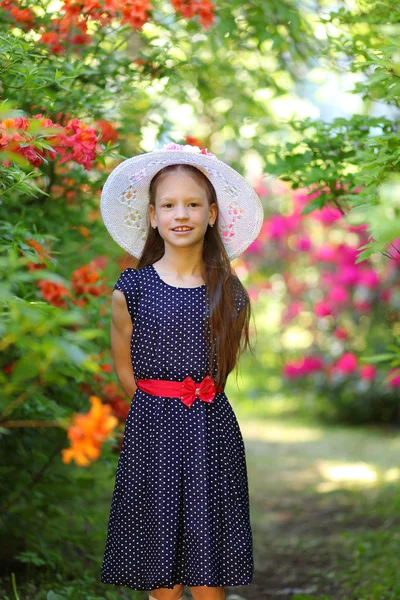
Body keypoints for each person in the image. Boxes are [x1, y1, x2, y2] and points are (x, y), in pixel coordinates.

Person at [99, 141, 264, 600]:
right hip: (152, 431)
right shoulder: (131, 288)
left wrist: (194, 401)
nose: (181, 214)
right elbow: (126, 369)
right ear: (152, 215)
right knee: (162, 578)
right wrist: (161, 402)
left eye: (193, 204)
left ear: (212, 213)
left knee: (207, 575)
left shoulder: (229, 292)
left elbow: (221, 368)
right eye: (169, 205)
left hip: (211, 431)